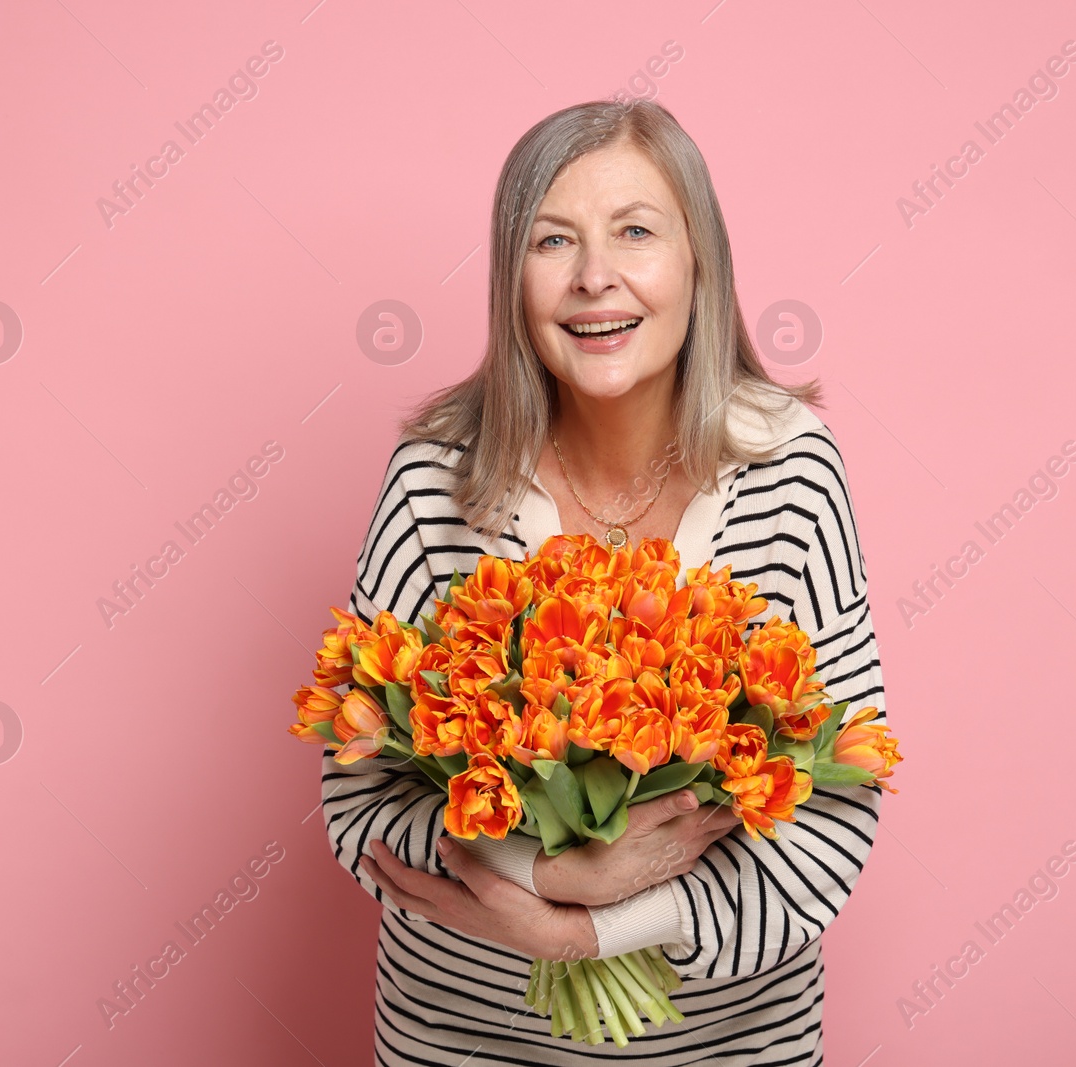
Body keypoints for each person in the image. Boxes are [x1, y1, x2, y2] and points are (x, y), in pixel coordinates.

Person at [321, 98, 887, 1066]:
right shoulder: (434, 475)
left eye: (635, 231)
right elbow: (361, 798)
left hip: (731, 1041)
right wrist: (545, 865)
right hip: (461, 1037)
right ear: (511, 279)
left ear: (698, 261)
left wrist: (589, 933)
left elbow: (838, 805)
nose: (594, 277)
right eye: (552, 240)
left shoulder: (789, 466)